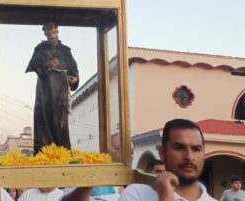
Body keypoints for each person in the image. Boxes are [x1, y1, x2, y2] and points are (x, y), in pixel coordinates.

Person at [61, 119, 216, 201]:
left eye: (196, 149)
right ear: (162, 153)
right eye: (179, 148)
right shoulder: (137, 194)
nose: (189, 156)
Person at [26, 22, 79, 154]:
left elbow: (73, 69)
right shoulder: (40, 49)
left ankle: (63, 155)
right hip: (44, 92)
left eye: (54, 32)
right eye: (49, 34)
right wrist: (47, 63)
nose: (52, 36)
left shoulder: (66, 51)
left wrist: (74, 79)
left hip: (60, 93)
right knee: (43, 124)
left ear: (57, 32)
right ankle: (43, 155)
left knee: (61, 124)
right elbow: (32, 65)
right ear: (45, 35)